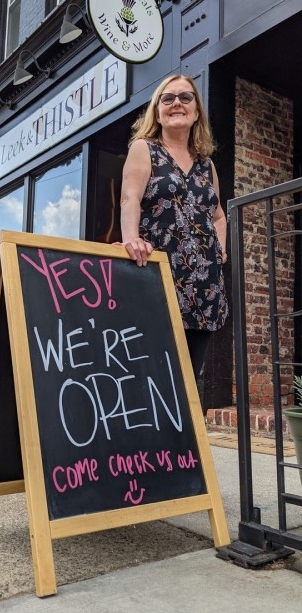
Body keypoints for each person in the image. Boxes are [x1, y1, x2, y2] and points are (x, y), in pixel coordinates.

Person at [118, 75, 228, 410]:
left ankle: (179, 453)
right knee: (153, 373)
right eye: (167, 98)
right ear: (158, 111)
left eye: (185, 97)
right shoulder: (145, 149)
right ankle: (143, 450)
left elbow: (218, 214)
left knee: (188, 377)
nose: (176, 103)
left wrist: (221, 250)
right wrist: (131, 238)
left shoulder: (206, 164)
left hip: (205, 285)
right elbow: (129, 197)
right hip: (161, 279)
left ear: (196, 112)